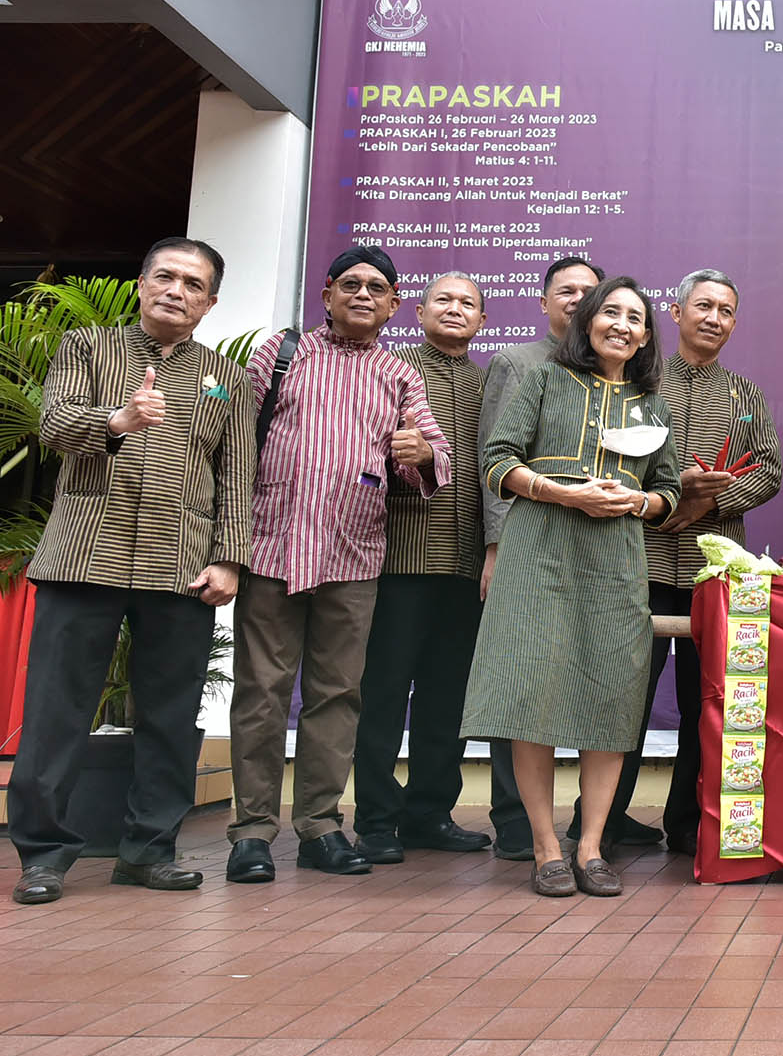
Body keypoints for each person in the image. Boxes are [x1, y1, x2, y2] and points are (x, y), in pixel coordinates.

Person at [7, 239, 254, 904]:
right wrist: (117, 419)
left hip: (181, 565)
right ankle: (44, 855)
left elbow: (236, 478)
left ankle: (149, 850)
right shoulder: (88, 346)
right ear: (142, 285)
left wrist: (229, 557)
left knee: (172, 716)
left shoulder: (226, 377)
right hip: (85, 554)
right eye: (165, 277)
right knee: (58, 710)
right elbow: (54, 423)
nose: (177, 290)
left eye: (193, 283)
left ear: (210, 302)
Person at [226, 245, 451, 883]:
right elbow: (238, 440)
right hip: (271, 546)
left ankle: (321, 826)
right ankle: (251, 832)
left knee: (337, 695)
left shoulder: (400, 375)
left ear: (393, 305)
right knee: (262, 693)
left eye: (376, 288)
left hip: (354, 554)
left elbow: (435, 459)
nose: (362, 294)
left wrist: (421, 454)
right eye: (349, 283)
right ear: (325, 294)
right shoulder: (282, 353)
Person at [461, 278, 680, 898]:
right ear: (585, 321)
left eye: (635, 318)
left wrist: (639, 500)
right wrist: (561, 492)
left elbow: (666, 493)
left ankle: (590, 846)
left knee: (611, 693)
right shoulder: (543, 379)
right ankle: (545, 847)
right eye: (610, 311)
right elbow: (497, 461)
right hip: (539, 548)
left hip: (615, 557)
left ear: (645, 337)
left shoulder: (651, 404)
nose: (622, 324)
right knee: (534, 691)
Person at [633, 269, 782, 856]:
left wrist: (710, 502)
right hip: (640, 559)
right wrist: (672, 496)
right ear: (675, 313)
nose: (714, 318)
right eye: (703, 306)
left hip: (711, 571)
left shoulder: (746, 393)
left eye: (725, 309)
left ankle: (690, 822)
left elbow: (768, 470)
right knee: (627, 696)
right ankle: (605, 818)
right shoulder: (638, 382)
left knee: (707, 702)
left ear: (735, 323)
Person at [351, 273, 492, 864]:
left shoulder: (491, 384)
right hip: (397, 558)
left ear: (483, 320)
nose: (455, 310)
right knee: (384, 691)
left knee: (448, 696)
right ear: (417, 310)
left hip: (468, 566)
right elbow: (354, 450)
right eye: (444, 300)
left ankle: (431, 812)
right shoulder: (389, 369)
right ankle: (377, 817)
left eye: (468, 304)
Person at [478, 256, 603, 860]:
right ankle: (513, 820)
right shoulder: (518, 363)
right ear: (544, 302)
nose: (578, 300)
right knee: (522, 679)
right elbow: (495, 461)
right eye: (566, 291)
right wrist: (497, 548)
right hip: (526, 543)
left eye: (590, 292)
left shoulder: (615, 374)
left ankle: (590, 829)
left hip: (592, 554)